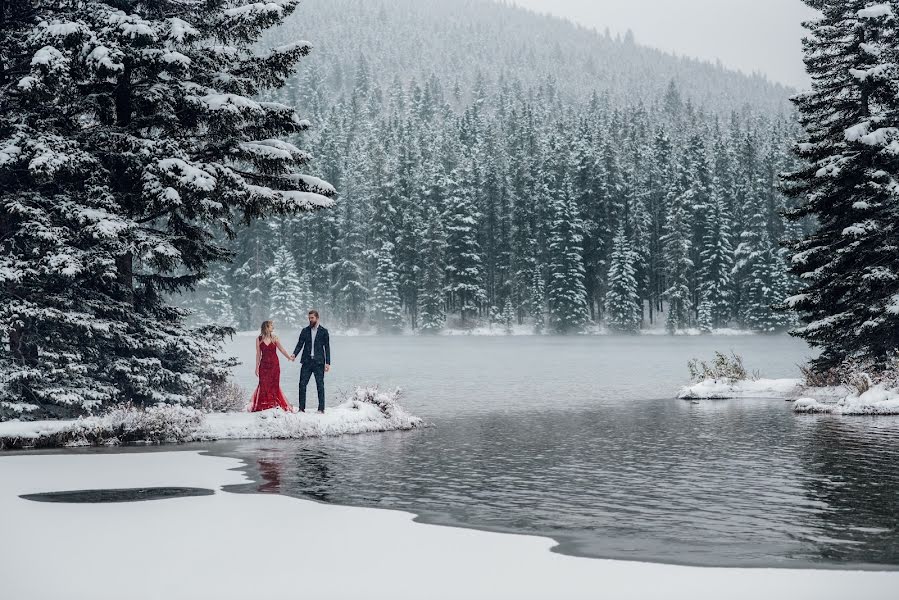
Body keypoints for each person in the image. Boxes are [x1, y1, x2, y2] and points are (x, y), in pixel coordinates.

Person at [291, 309, 331, 413]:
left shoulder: (324, 331)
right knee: (302, 384)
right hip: (306, 362)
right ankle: (301, 408)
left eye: (312, 318)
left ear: (317, 318)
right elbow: (300, 344)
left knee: (320, 385)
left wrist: (328, 363)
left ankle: (321, 409)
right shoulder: (305, 331)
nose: (310, 320)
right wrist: (294, 354)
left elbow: (327, 348)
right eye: (309, 318)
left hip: (319, 362)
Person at [249, 320, 295, 413]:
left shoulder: (275, 338)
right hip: (264, 365)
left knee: (274, 385)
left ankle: (273, 404)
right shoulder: (259, 339)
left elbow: (282, 349)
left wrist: (289, 357)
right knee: (263, 385)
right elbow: (258, 354)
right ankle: (263, 405)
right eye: (271, 326)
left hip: (274, 365)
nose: (273, 327)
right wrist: (256, 367)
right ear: (266, 327)